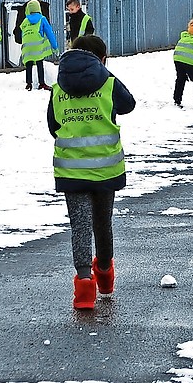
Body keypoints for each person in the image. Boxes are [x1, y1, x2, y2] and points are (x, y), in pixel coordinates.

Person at [47, 34, 136, 310]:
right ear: (102, 59)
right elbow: (129, 105)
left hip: (71, 170)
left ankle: (85, 285)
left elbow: (53, 126)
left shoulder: (58, 88)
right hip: (105, 169)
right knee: (102, 222)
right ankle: (106, 276)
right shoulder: (108, 83)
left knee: (80, 225)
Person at [19, 0, 59, 91]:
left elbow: (22, 34)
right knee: (39, 63)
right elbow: (49, 33)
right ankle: (42, 83)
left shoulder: (25, 21)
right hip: (38, 47)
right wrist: (55, 47)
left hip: (26, 48)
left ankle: (29, 84)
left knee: (28, 65)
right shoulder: (42, 19)